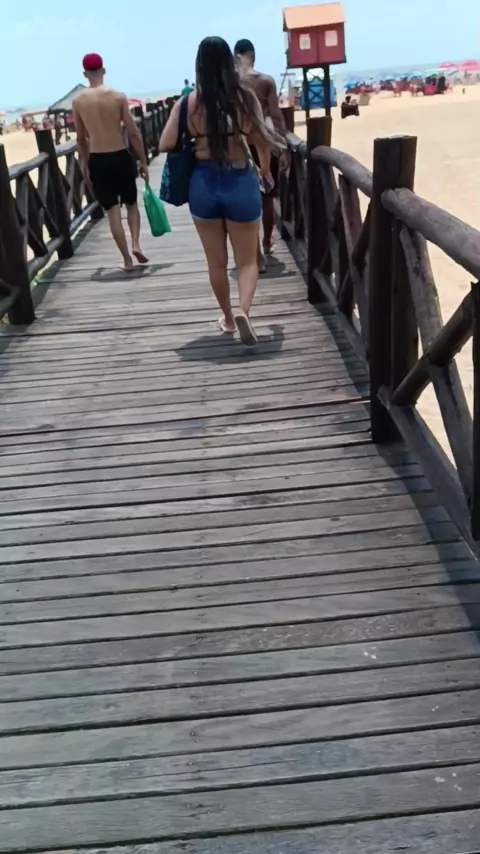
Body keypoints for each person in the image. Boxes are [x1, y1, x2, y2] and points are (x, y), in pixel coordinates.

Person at [159, 36, 276, 345]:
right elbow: (261, 139)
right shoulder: (245, 98)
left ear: (199, 65)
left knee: (216, 263)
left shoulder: (187, 103)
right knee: (247, 260)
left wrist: (195, 134)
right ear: (229, 62)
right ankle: (243, 311)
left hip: (203, 182)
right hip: (240, 179)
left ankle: (227, 318)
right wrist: (265, 170)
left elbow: (165, 143)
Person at [73, 53, 149, 271]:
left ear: (85, 74)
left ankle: (127, 260)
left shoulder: (78, 101)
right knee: (131, 204)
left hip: (98, 159)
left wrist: (85, 165)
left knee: (112, 210)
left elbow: (81, 139)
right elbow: (133, 132)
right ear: (103, 71)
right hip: (120, 155)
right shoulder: (118, 96)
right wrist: (143, 161)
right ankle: (136, 244)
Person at [234, 38, 288, 270]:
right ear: (253, 56)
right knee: (267, 197)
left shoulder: (231, 83)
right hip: (264, 143)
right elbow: (276, 115)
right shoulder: (265, 81)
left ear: (235, 57)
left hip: (239, 147)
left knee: (246, 199)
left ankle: (255, 247)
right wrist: (283, 148)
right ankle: (266, 240)